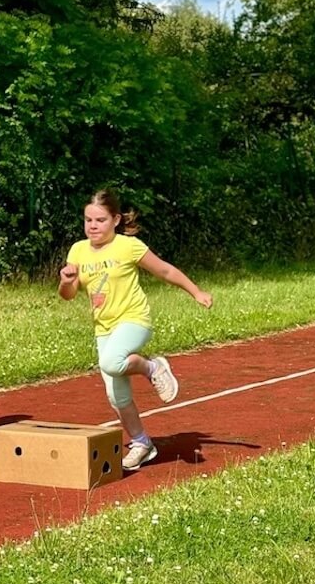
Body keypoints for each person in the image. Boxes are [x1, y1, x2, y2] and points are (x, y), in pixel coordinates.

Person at [58, 190, 213, 471]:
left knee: (111, 362)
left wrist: (196, 291)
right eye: (88, 220)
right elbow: (67, 294)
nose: (93, 226)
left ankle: (153, 368)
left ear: (116, 220)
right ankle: (142, 443)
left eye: (100, 220)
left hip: (133, 320)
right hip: (103, 328)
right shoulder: (78, 251)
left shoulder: (128, 246)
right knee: (116, 396)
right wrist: (66, 280)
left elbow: (164, 271)